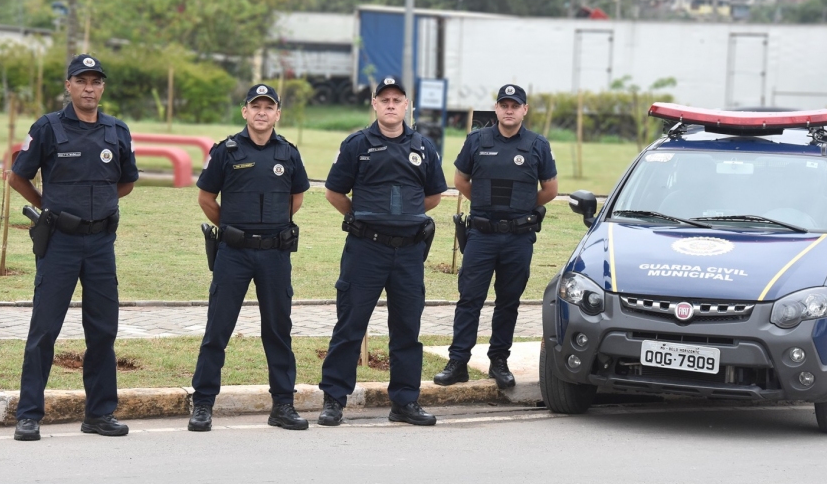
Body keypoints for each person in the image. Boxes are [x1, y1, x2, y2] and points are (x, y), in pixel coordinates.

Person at [9, 54, 139, 441]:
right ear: (68, 85)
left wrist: (98, 210)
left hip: (101, 243)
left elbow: (127, 182)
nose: (89, 88)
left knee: (102, 331)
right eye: (81, 81)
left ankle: (99, 414)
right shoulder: (48, 127)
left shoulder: (117, 131)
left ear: (102, 87)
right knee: (44, 329)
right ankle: (29, 414)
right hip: (61, 243)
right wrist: (48, 209)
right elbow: (19, 177)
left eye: (96, 81)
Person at [318, 76, 447, 426]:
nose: (391, 105)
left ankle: (404, 402)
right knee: (350, 325)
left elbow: (434, 195)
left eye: (397, 100)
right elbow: (334, 192)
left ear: (407, 106)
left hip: (408, 253)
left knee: (407, 328)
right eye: (384, 99)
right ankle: (334, 399)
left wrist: (404, 215)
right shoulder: (357, 144)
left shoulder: (423, 146)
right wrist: (360, 219)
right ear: (374, 105)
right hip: (366, 250)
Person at [188, 84, 311, 432]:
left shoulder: (288, 153)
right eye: (254, 106)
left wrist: (271, 227)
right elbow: (206, 198)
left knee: (278, 330)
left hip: (274, 254)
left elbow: (295, 199)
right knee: (218, 329)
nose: (261, 112)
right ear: (244, 111)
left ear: (277, 114)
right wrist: (232, 228)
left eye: (268, 107)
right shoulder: (225, 151)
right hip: (234, 254)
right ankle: (203, 404)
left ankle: (283, 405)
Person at [434, 84, 558, 389]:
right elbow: (460, 179)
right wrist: (484, 202)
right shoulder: (477, 140)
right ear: (497, 109)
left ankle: (499, 361)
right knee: (470, 299)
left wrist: (524, 207)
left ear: (524, 110)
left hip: (518, 237)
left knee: (508, 302)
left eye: (515, 105)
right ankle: (458, 362)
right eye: (504, 105)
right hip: (482, 234)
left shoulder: (537, 145)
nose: (509, 110)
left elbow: (551, 189)